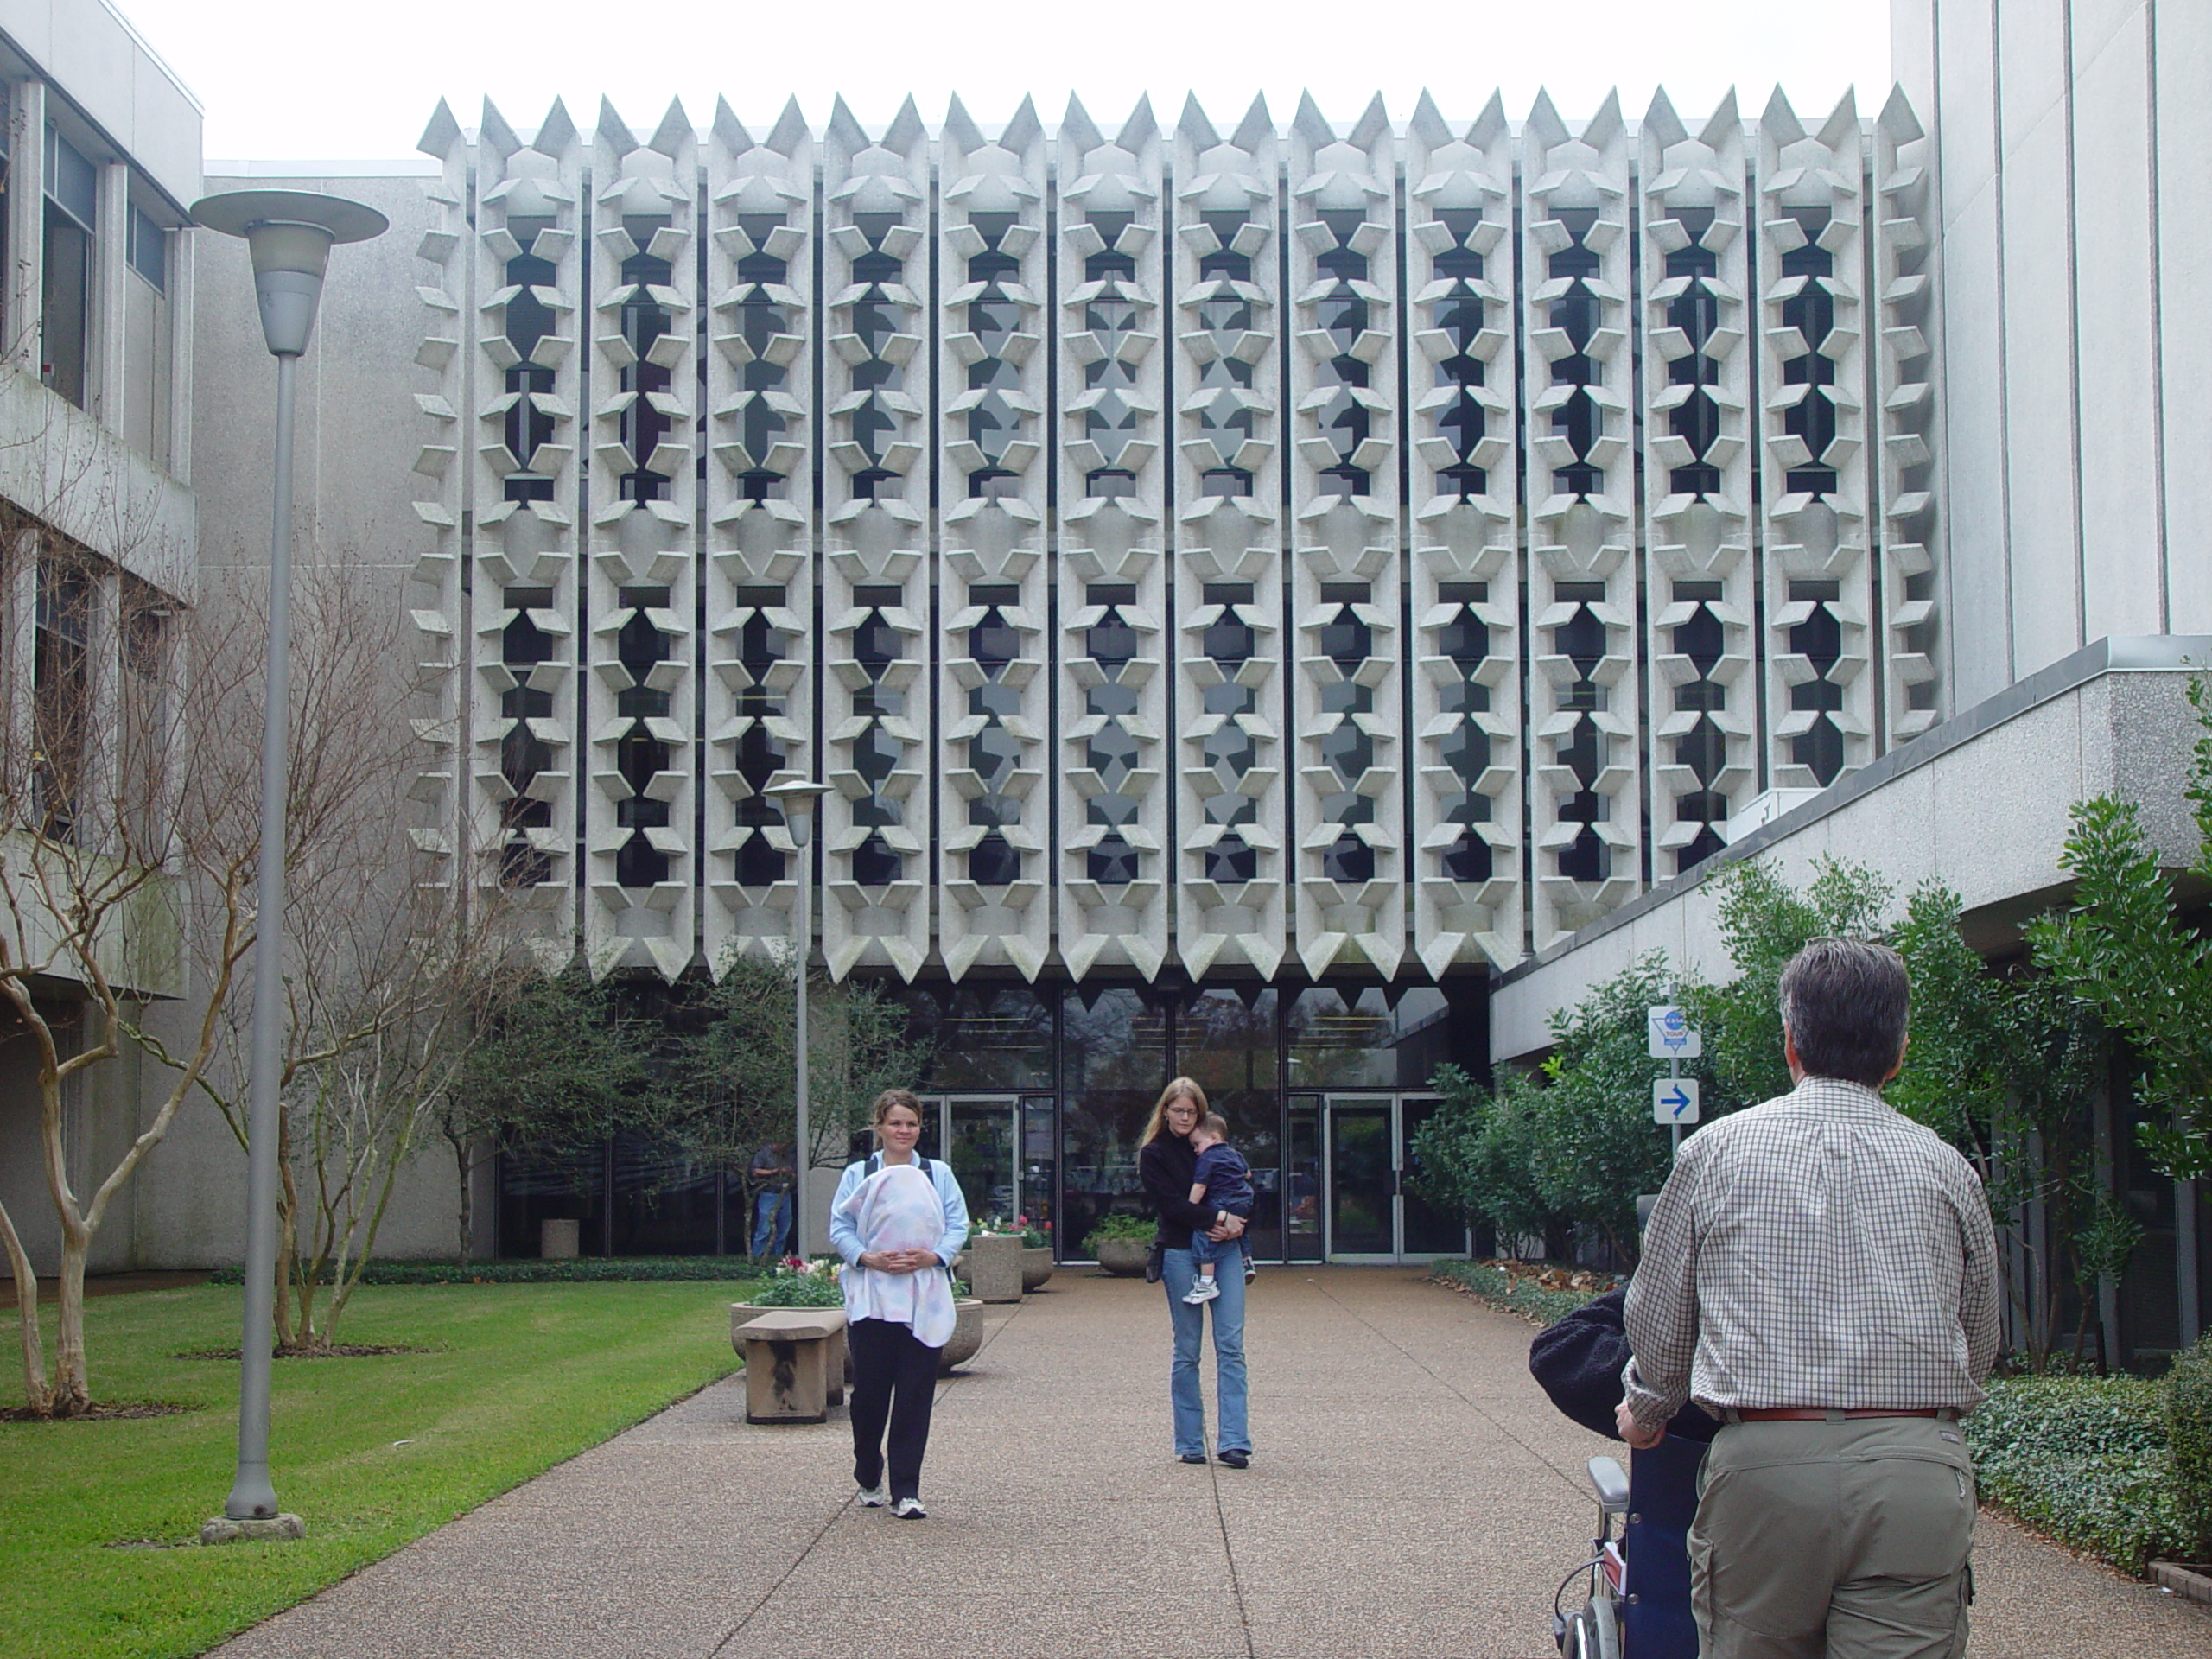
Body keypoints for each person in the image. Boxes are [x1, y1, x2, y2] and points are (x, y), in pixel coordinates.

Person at [1617, 938, 2000, 1659]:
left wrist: (1646, 1411)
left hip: (1765, 1471)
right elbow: (1979, 1341)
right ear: (1899, 1053)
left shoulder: (1712, 1152)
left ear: (1791, 1043)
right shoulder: (1948, 1168)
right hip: (1914, 1468)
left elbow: (1661, 1320)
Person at [829, 1089, 969, 1520]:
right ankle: (868, 1472)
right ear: (880, 1127)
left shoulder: (938, 1173)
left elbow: (957, 1222)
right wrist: (866, 1258)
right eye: (895, 1123)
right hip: (873, 1298)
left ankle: (906, 1488)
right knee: (870, 1395)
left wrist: (935, 1257)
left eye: (911, 1123)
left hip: (922, 1297)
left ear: (920, 1128)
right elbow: (841, 1227)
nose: (903, 1130)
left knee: (914, 1394)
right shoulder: (858, 1173)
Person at [1136, 1077, 1251, 1467]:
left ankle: (1234, 1441)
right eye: (1179, 1110)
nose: (1185, 1117)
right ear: (1165, 1110)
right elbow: (1171, 1206)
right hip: (1181, 1254)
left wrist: (1239, 1222)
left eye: (1192, 1111)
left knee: (1231, 1346)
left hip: (1227, 1251)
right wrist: (1218, 1216)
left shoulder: (1217, 1147)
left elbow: (1247, 1190)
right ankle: (1190, 1442)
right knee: (1188, 1350)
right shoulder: (1153, 1154)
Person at [1181, 1111, 1255, 1302]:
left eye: (1197, 1144)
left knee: (1204, 1234)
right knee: (1241, 1228)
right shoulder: (1235, 1154)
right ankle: (1247, 1261)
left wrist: (1191, 1208)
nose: (1196, 1150)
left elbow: (1200, 1185)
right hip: (1244, 1199)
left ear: (1214, 1138)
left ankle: (1207, 1282)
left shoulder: (1207, 1158)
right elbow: (1247, 1174)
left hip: (1222, 1199)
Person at [748, 1138, 794, 1260]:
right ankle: (757, 1257)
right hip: (769, 1193)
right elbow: (755, 1171)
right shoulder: (763, 1154)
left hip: (784, 1193)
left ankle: (776, 1257)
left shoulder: (787, 1155)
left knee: (783, 1228)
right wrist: (774, 1171)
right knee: (764, 1228)